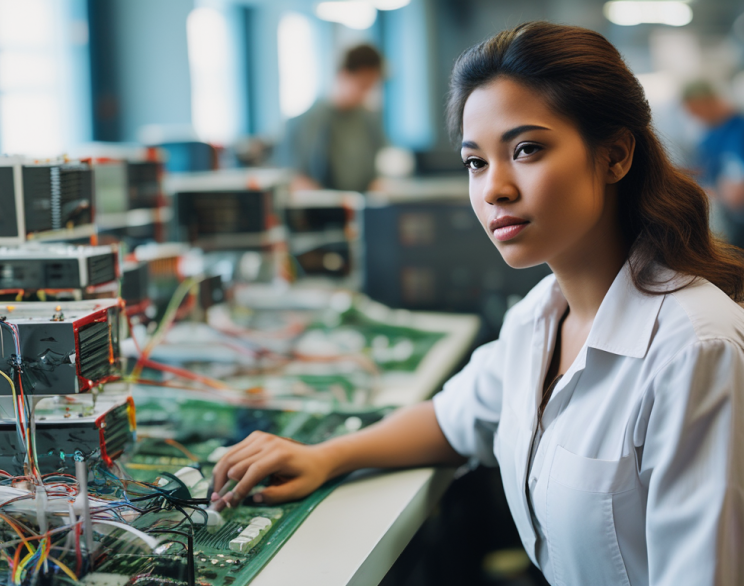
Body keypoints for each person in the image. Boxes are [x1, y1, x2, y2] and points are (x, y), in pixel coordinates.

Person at [212, 22, 744, 585]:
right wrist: (326, 456)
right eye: (476, 162)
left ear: (615, 156)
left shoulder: (695, 350)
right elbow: (454, 419)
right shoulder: (540, 318)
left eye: (526, 150)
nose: (494, 188)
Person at [282, 44, 386, 193]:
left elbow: (377, 171)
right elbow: (296, 178)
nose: (366, 94)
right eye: (362, 86)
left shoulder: (369, 120)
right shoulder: (308, 121)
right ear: (343, 75)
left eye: (371, 87)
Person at [682, 81, 744, 247]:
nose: (694, 116)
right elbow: (702, 173)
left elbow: (736, 194)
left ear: (708, 102)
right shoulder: (708, 138)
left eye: (695, 110)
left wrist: (714, 192)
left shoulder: (737, 132)